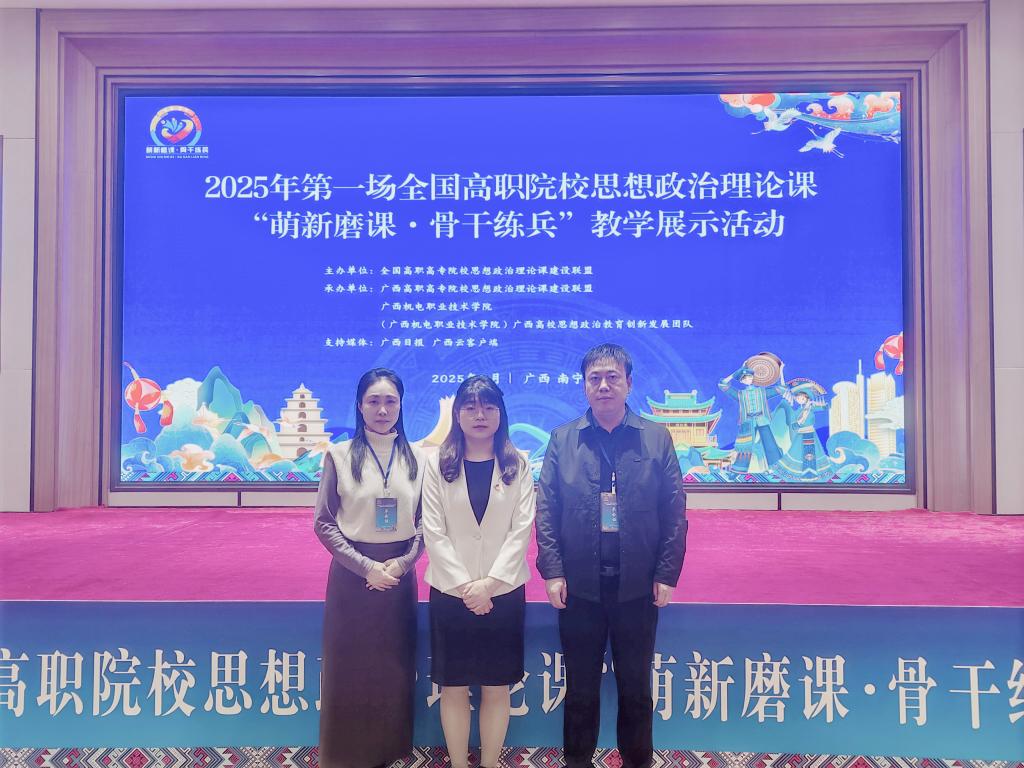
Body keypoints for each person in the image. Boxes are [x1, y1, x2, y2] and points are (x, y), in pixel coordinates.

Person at [535, 343, 687, 768]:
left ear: (629, 384)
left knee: (636, 689)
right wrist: (552, 571)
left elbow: (674, 510)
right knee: (580, 690)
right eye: (595, 379)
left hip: (637, 587)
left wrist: (666, 573)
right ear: (585, 386)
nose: (603, 386)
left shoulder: (655, 437)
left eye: (612, 377)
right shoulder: (563, 439)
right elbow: (546, 510)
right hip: (579, 588)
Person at [421, 375, 536, 768]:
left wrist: (489, 585)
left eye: (488, 406)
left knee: (496, 686)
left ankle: (489, 764)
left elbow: (522, 529)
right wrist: (467, 586)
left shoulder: (518, 463)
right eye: (470, 407)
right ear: (457, 414)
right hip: (450, 593)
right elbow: (433, 530)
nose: (480, 415)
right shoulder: (437, 463)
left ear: (501, 413)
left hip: (503, 593)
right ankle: (457, 762)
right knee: (453, 687)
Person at [313, 368, 423, 768]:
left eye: (390, 401)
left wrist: (402, 563)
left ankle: (387, 754)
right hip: (352, 580)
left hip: (398, 578)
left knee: (393, 671)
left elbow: (427, 523)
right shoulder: (339, 455)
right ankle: (345, 757)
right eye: (373, 401)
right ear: (360, 406)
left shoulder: (420, 458)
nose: (382, 410)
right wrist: (366, 568)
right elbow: (324, 523)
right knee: (350, 671)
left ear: (401, 406)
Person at [718, 363, 787, 473]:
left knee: (769, 443)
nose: (748, 380)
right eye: (745, 379)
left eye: (749, 377)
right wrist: (737, 371)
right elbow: (722, 385)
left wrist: (781, 370)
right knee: (745, 446)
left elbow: (781, 389)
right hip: (747, 422)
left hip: (762, 420)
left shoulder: (762, 391)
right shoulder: (740, 394)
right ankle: (739, 469)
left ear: (753, 378)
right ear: (742, 381)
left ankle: (776, 467)